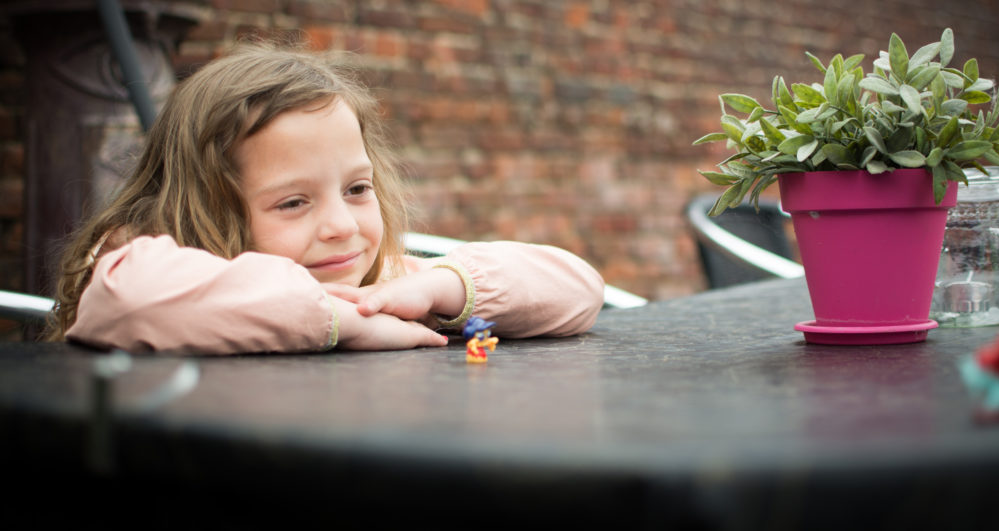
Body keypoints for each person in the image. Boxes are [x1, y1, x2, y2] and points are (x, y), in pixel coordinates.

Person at [46, 43, 604, 354]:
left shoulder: (384, 285)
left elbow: (579, 289)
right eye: (293, 203)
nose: (341, 225)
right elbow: (128, 300)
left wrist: (443, 285)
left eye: (357, 189)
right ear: (205, 209)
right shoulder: (169, 278)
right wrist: (349, 324)